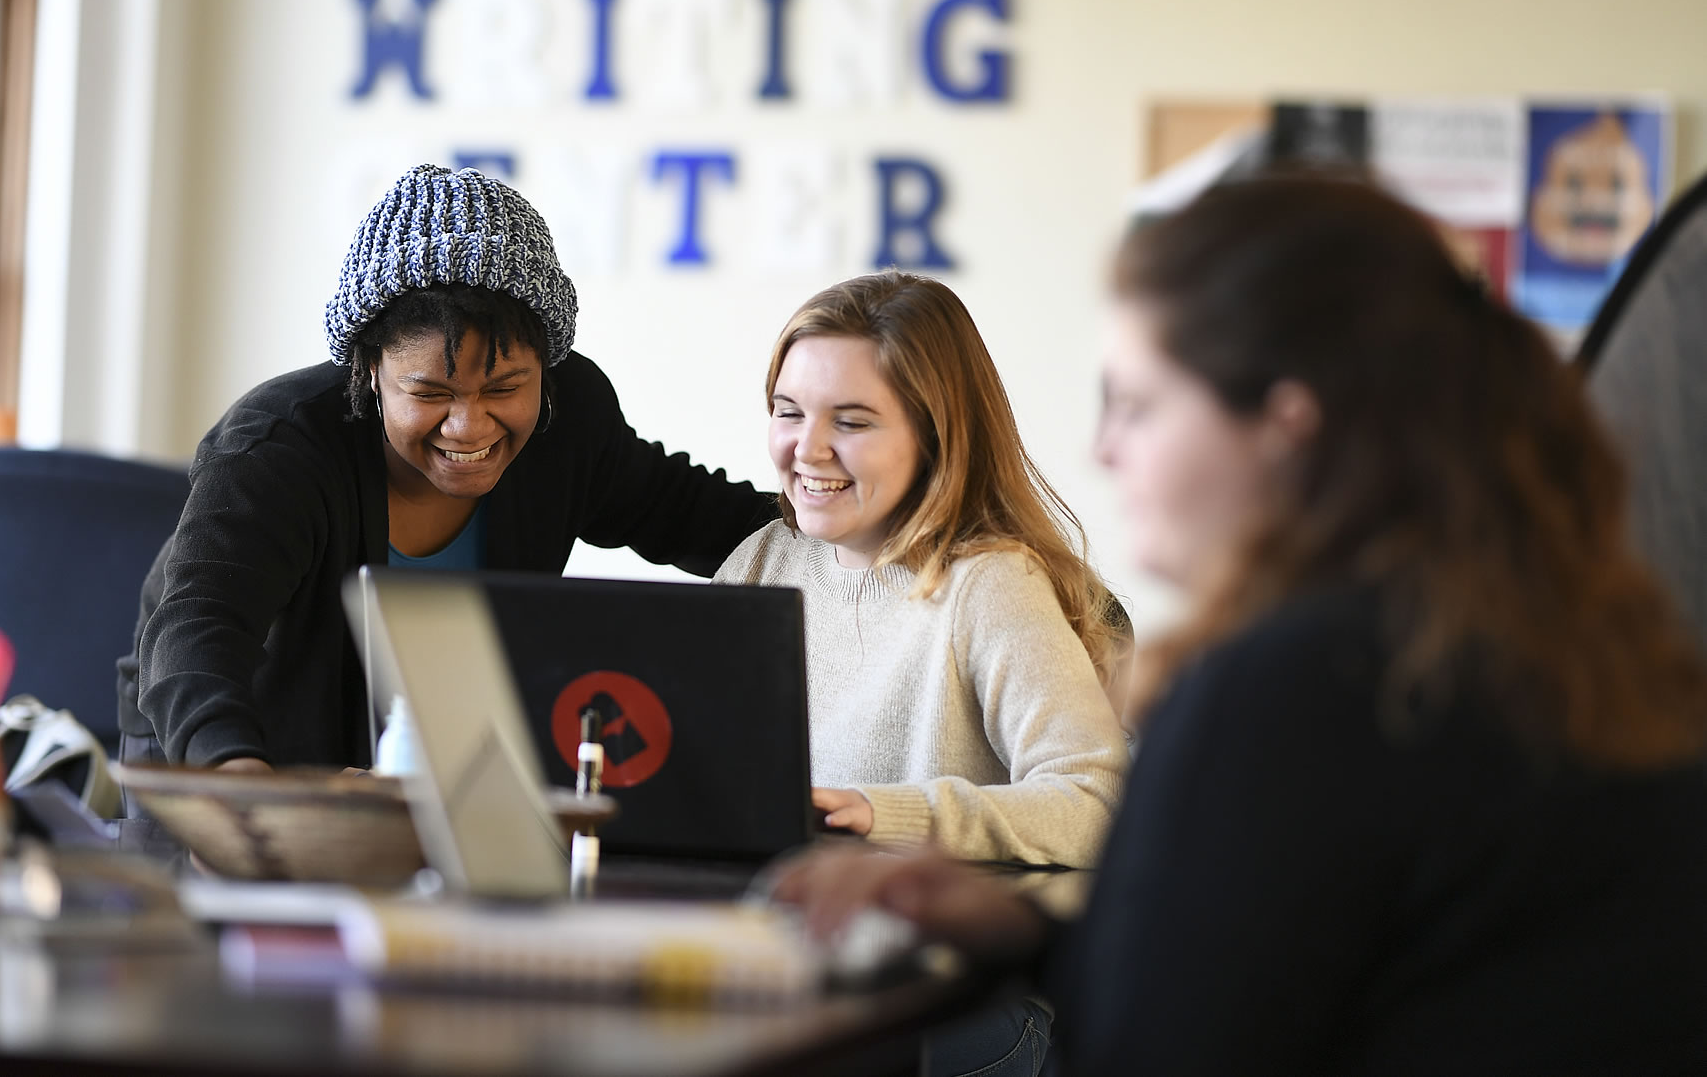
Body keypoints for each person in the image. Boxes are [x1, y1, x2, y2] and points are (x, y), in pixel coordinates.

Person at [774, 175, 1707, 1075]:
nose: (1106, 449)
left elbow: (1168, 1047)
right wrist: (1029, 933)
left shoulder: (1298, 685)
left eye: (1138, 406)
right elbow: (1323, 967)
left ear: (1283, 427)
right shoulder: (1564, 642)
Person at [118, 166, 774, 776]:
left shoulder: (569, 421)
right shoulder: (279, 447)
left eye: (505, 387)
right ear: (370, 370)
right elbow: (198, 627)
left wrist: (860, 516)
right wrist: (232, 779)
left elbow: (706, 520)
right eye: (430, 393)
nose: (470, 426)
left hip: (437, 754)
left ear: (545, 370)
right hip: (219, 744)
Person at [715, 271, 1132, 1076]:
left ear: (935, 434)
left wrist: (879, 814)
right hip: (802, 969)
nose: (808, 449)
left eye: (854, 421)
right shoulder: (765, 561)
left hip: (954, 1002)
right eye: (789, 412)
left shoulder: (987, 582)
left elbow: (1096, 798)